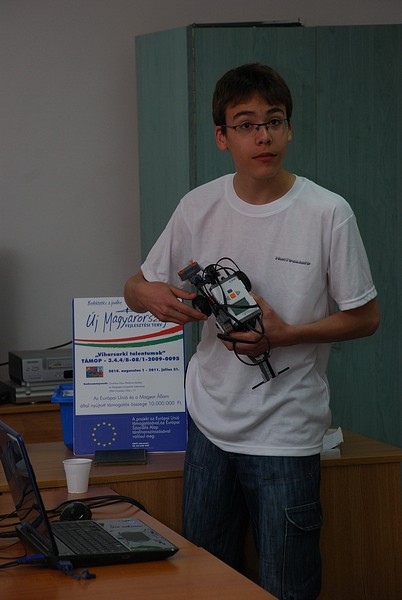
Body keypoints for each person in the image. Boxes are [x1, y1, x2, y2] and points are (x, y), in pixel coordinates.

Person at [124, 63, 380, 600]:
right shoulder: (198, 205)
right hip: (208, 426)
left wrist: (284, 335)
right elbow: (136, 285)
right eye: (245, 124)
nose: (263, 136)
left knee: (288, 586)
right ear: (223, 137)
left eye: (274, 121)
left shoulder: (327, 212)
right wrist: (146, 295)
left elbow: (365, 316)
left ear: (289, 129)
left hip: (286, 432)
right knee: (205, 581)